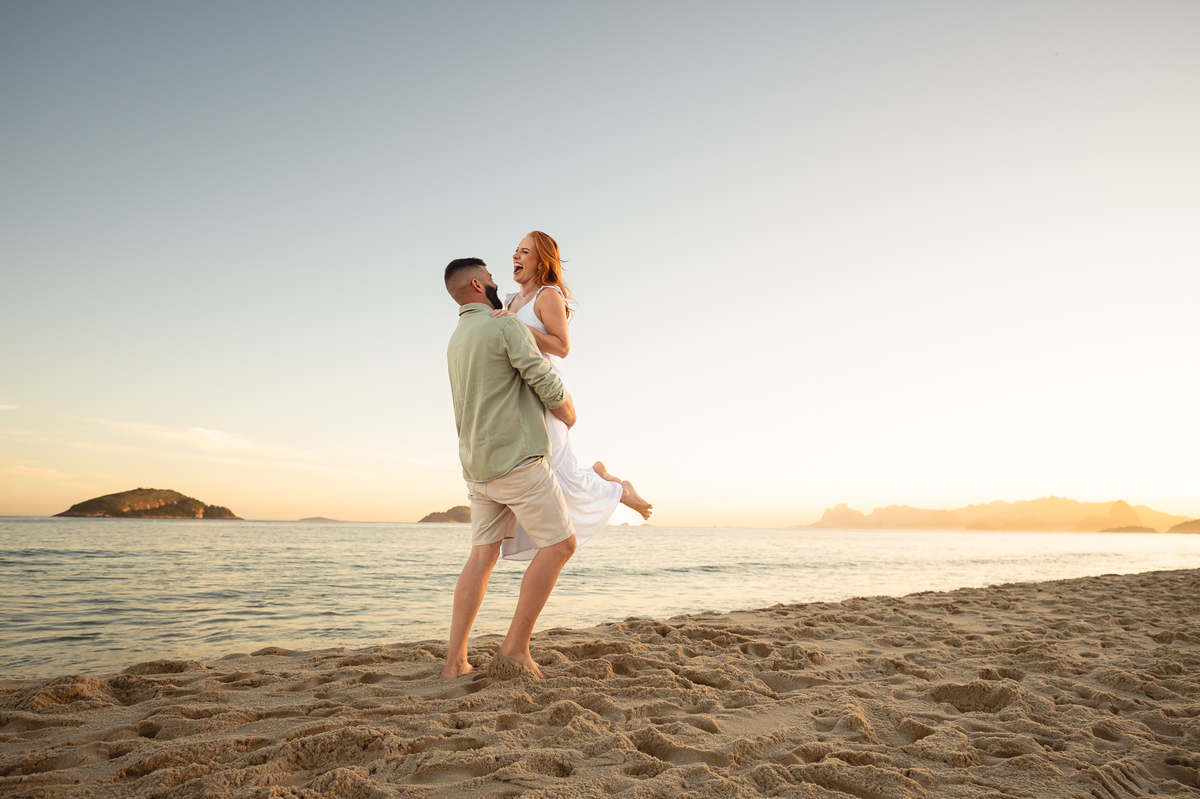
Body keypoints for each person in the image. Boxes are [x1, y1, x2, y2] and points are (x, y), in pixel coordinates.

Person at [441, 257, 578, 680]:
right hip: (516, 460)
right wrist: (568, 413)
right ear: (480, 285)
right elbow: (541, 377)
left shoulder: (456, 339)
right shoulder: (504, 326)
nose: (499, 281)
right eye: (492, 277)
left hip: (477, 469)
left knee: (481, 557)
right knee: (560, 546)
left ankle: (455, 663)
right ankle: (515, 649)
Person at [491, 231, 652, 563]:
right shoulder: (509, 301)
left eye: (525, 252)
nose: (516, 257)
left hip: (544, 389)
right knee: (542, 473)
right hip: (517, 394)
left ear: (541, 260)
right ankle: (602, 479)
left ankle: (616, 488)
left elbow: (562, 347)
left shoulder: (548, 295)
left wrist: (517, 327)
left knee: (555, 470)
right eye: (515, 251)